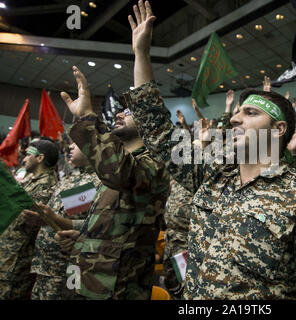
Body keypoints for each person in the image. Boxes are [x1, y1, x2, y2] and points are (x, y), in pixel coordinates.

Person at [123, 0, 296, 299]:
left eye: (251, 113)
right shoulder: (212, 173)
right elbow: (159, 132)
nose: (236, 118)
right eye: (238, 113)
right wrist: (141, 55)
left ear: (278, 130)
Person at [52, 67, 170, 300]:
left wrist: (87, 116)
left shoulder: (156, 163)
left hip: (119, 287)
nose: (118, 114)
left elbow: (121, 173)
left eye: (127, 111)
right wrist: (84, 239)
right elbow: (114, 224)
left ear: (148, 122)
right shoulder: (123, 164)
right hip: (88, 277)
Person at [22, 142, 102, 300]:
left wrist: (52, 218)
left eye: (77, 143)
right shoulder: (70, 178)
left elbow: (92, 224)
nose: (70, 147)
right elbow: (62, 215)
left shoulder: (98, 181)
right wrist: (42, 220)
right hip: (45, 265)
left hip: (67, 268)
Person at [0, 139, 59, 299]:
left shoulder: (47, 185)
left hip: (15, 261)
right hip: (6, 254)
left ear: (40, 158)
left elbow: (22, 216)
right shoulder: (29, 180)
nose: (23, 158)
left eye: (28, 154)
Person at [162, 179, 192, 299]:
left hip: (186, 243)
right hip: (171, 241)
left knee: (186, 288)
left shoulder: (200, 178)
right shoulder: (176, 181)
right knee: (171, 283)